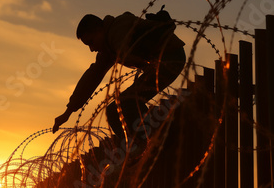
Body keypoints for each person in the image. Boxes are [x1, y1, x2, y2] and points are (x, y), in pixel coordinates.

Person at [52, 11, 186, 145]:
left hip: (171, 58)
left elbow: (124, 48)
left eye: (91, 42)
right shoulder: (108, 48)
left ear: (100, 30)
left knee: (129, 101)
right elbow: (91, 78)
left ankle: (150, 141)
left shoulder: (118, 28)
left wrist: (139, 64)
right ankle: (134, 146)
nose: (92, 49)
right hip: (159, 65)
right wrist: (68, 113)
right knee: (113, 110)